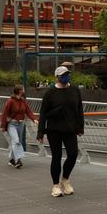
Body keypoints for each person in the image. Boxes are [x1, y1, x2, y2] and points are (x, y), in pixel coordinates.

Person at [37, 65, 85, 198]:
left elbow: (79, 110)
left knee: (73, 154)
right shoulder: (50, 93)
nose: (66, 77)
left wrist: (80, 127)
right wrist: (40, 133)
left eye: (68, 74)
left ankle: (65, 179)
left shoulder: (75, 90)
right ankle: (55, 185)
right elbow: (43, 114)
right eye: (63, 75)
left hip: (70, 129)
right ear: (57, 77)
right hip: (54, 130)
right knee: (56, 157)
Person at [0, 84, 38, 168]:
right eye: (23, 89)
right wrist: (3, 126)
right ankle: (18, 160)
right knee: (16, 141)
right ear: (19, 91)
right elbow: (4, 114)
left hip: (21, 124)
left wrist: (34, 119)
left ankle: (12, 160)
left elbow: (28, 111)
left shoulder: (23, 100)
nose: (24, 90)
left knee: (16, 142)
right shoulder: (10, 101)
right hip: (12, 124)